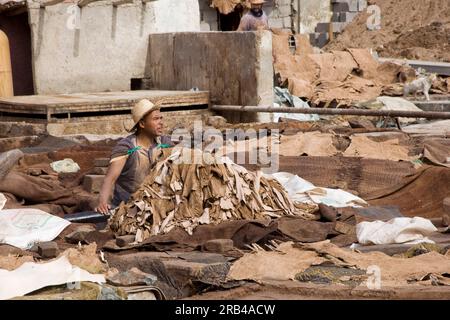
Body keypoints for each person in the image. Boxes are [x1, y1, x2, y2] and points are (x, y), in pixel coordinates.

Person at [95, 99, 173, 214]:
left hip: (157, 205)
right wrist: (103, 202)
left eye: (161, 118)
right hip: (128, 207)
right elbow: (110, 179)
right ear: (142, 124)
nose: (161, 122)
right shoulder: (126, 147)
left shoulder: (165, 143)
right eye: (156, 119)